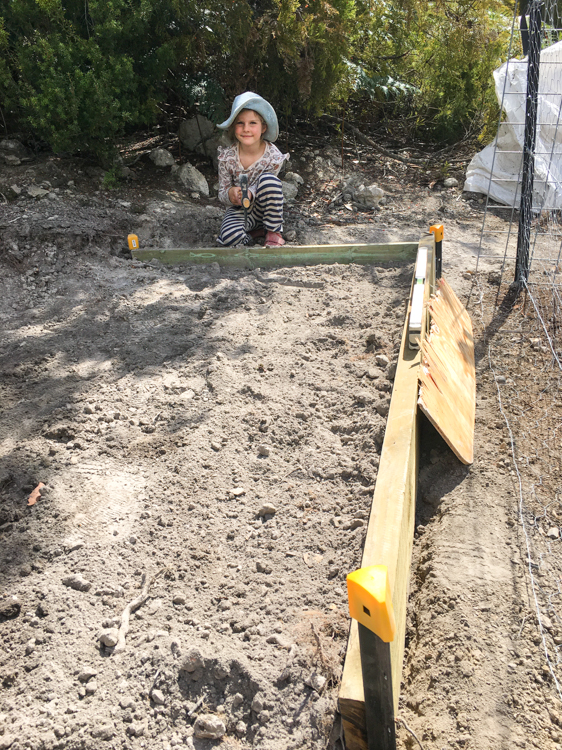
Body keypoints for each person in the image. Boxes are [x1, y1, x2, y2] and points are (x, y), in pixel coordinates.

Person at [216, 92, 289, 247]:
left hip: (264, 209)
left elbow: (271, 189)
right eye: (240, 123)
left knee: (269, 181)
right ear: (233, 127)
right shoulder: (226, 157)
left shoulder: (273, 156)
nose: (246, 129)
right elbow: (222, 192)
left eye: (252, 123)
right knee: (229, 237)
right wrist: (231, 194)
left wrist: (250, 192)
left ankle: (273, 231)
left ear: (263, 127)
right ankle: (249, 236)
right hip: (240, 211)